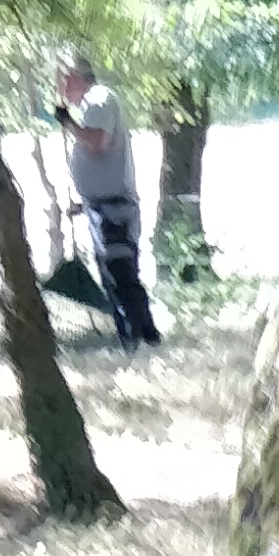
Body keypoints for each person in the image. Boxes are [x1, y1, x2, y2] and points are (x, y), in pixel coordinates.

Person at [53, 55, 161, 348]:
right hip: (101, 206)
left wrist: (67, 123)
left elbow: (99, 142)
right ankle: (140, 334)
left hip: (114, 207)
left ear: (74, 77)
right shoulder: (92, 104)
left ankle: (138, 337)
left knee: (120, 272)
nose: (60, 86)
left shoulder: (98, 99)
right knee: (117, 272)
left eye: (63, 79)